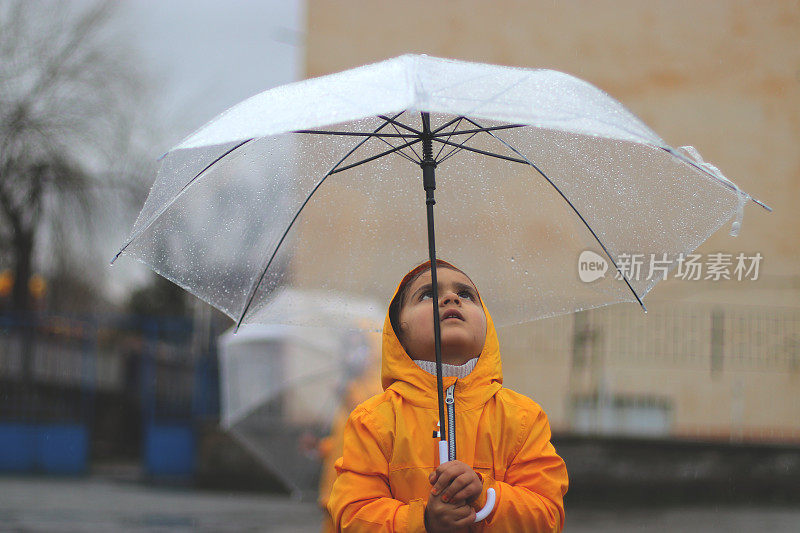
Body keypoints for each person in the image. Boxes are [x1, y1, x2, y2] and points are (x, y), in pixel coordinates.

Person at [327, 260, 568, 532]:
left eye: (466, 294)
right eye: (428, 294)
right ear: (398, 329)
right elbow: (353, 515)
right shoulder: (373, 420)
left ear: (486, 323)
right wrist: (423, 522)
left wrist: (484, 495)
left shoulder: (524, 418)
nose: (451, 297)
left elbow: (548, 516)